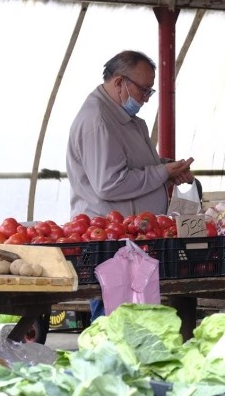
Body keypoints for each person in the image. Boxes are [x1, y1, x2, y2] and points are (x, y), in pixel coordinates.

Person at [67, 50, 196, 319]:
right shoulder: (98, 121)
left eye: (150, 91)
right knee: (113, 321)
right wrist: (162, 173)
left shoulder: (123, 118)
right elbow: (109, 183)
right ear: (119, 83)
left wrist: (168, 169)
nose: (146, 98)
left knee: (136, 322)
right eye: (144, 90)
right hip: (110, 241)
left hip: (132, 237)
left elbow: (133, 166)